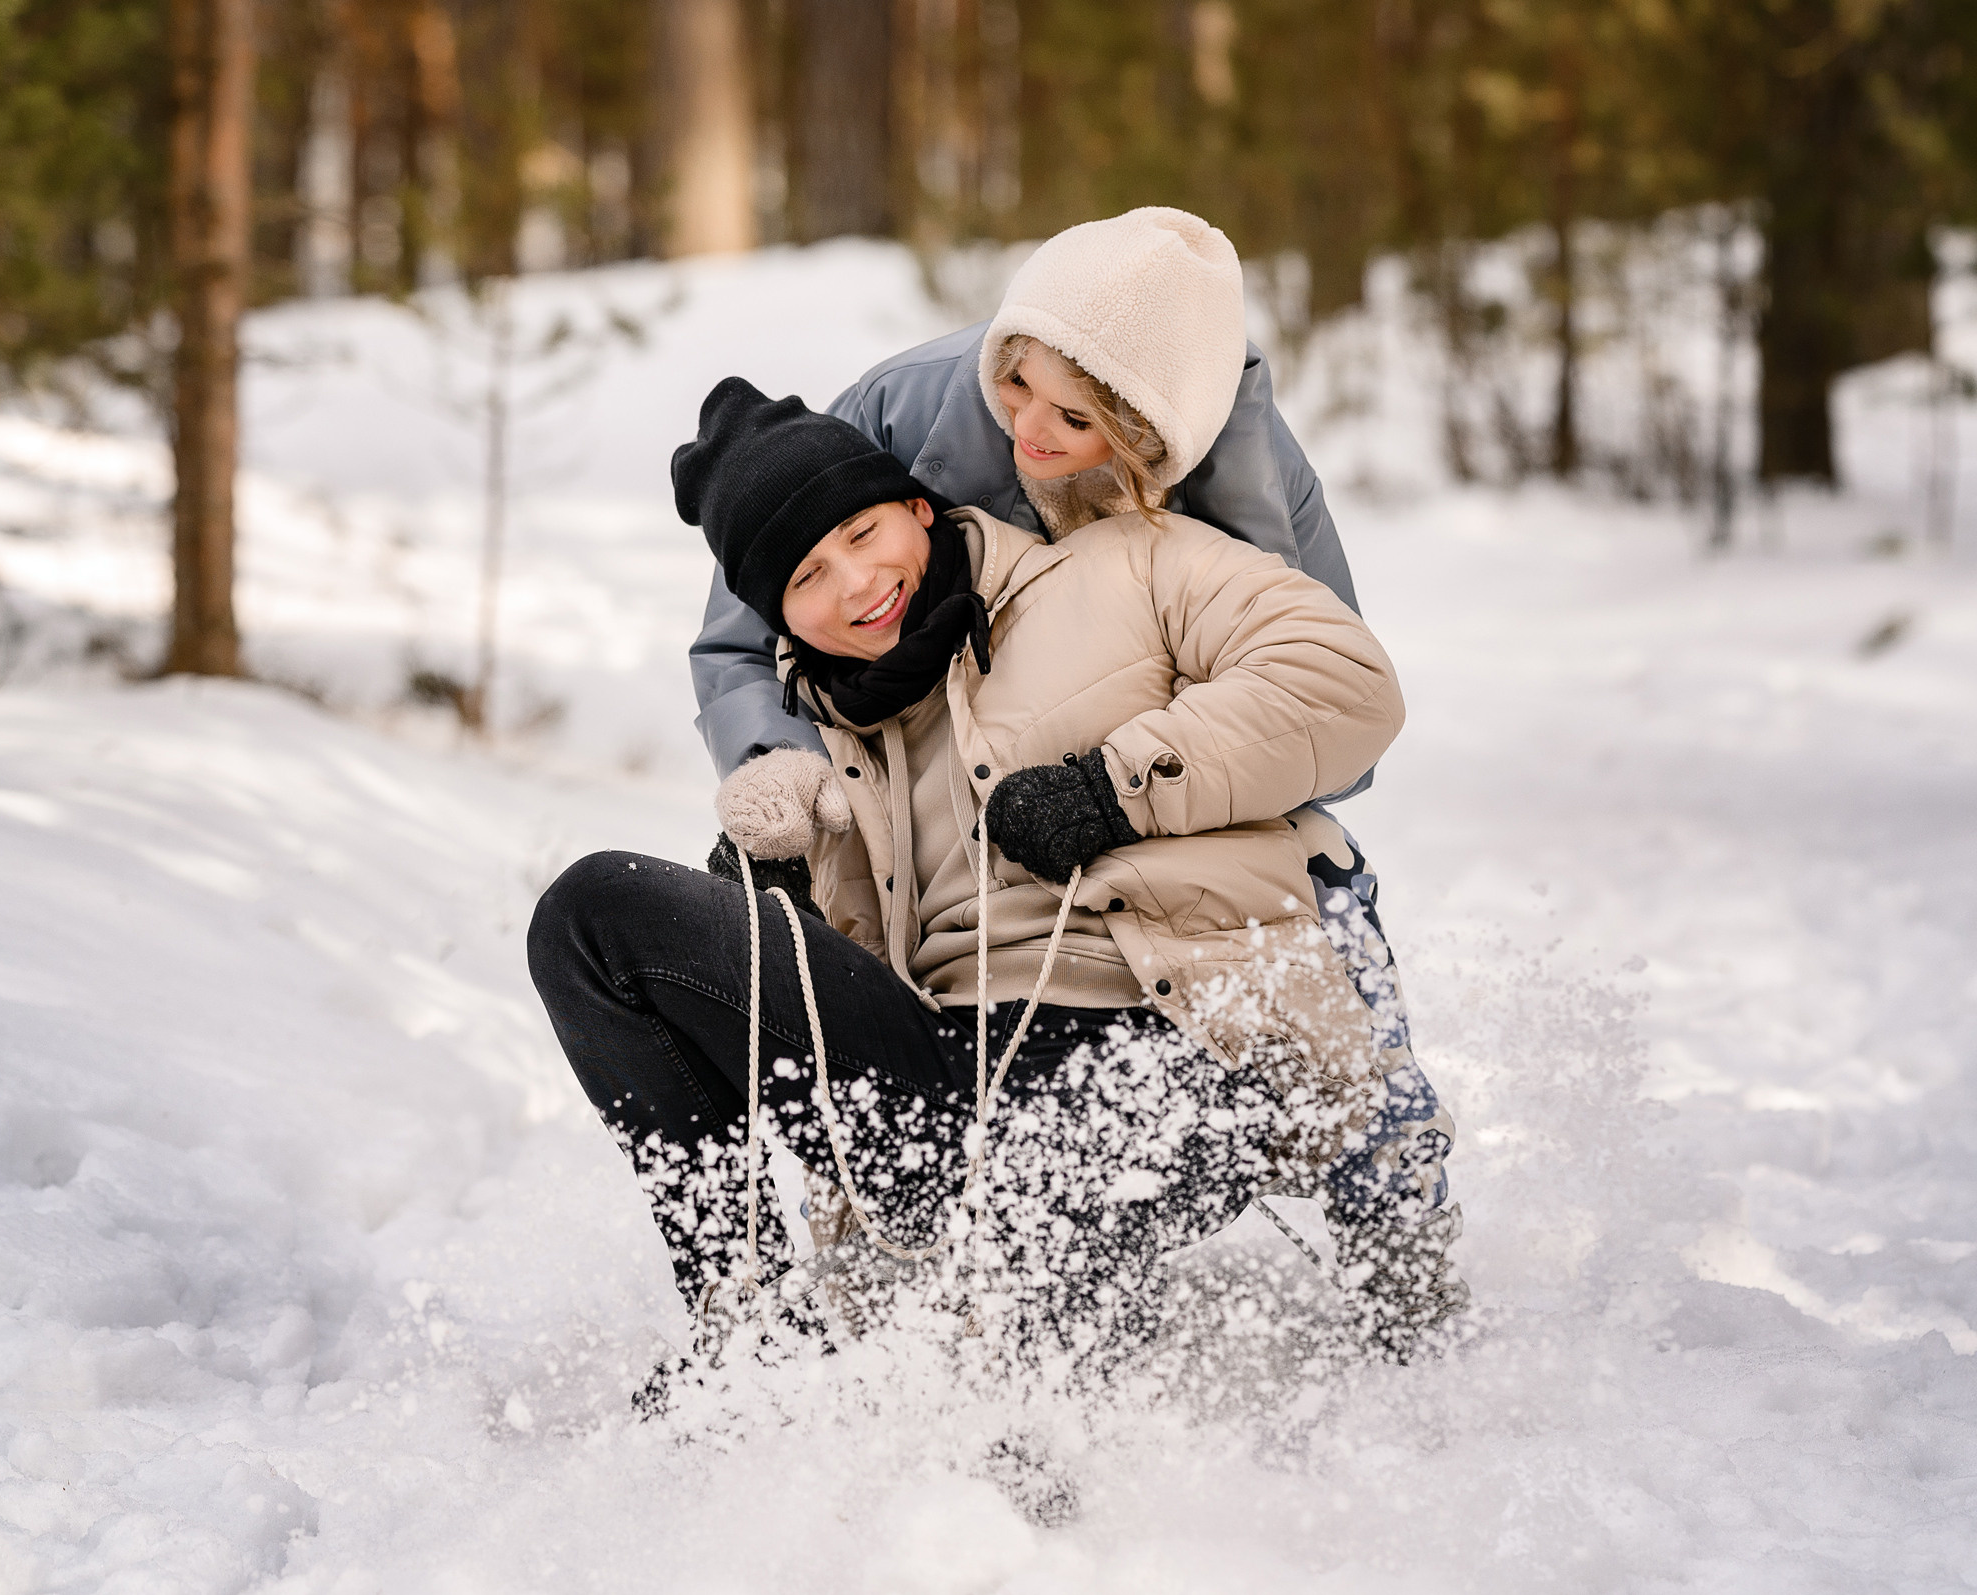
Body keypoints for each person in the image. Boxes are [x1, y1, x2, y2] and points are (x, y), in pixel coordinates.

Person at [530, 307, 1457, 1378]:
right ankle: (751, 1332)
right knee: (590, 913)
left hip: (1167, 1033)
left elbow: (1344, 686)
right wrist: (776, 903)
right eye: (807, 580)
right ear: (779, 621)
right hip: (951, 1078)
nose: (855, 586)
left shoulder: (1132, 565)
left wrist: (1114, 790)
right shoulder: (825, 759)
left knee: (1035, 1232)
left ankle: (1033, 1477)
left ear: (919, 508)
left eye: (862, 536)